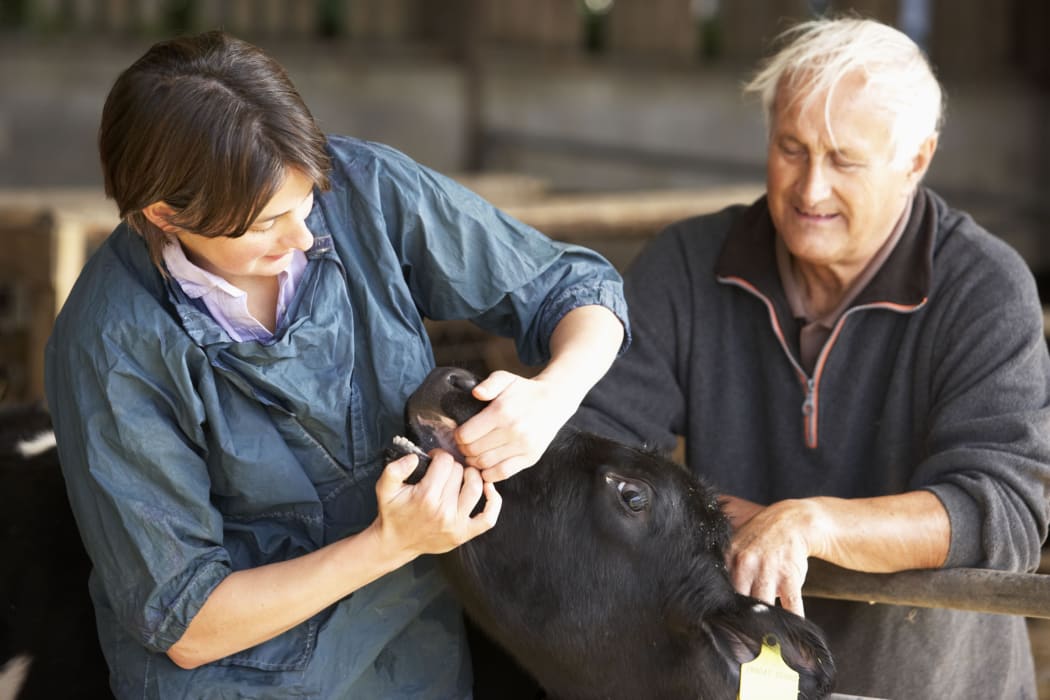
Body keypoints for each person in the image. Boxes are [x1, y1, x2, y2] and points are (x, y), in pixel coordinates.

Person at [44, 31, 627, 698]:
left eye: (307, 201)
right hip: (231, 679)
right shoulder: (110, 344)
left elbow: (576, 291)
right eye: (263, 224)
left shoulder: (369, 193)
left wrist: (553, 396)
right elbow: (188, 623)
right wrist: (392, 542)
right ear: (165, 214)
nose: (301, 236)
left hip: (414, 662)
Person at [573, 16, 1050, 699]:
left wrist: (811, 522)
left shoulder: (986, 289)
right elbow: (593, 450)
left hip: (929, 684)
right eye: (791, 148)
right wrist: (748, 522)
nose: (809, 189)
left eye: (845, 160)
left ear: (917, 158)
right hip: (741, 675)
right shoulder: (685, 265)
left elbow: (1000, 513)